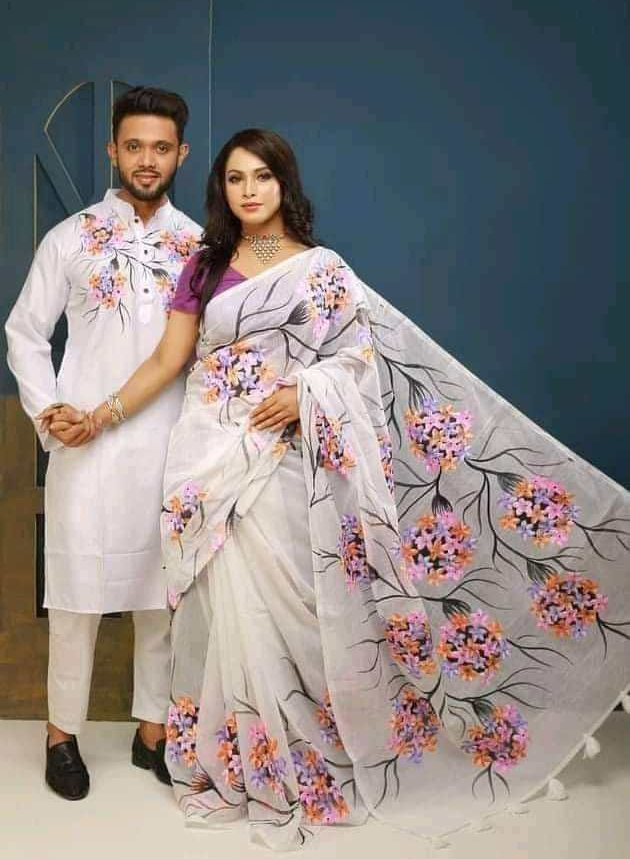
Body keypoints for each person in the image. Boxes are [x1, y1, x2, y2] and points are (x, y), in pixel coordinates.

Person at [41, 129, 630, 849]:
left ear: (284, 183)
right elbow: (169, 359)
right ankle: (246, 749)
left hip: (286, 458)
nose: (249, 190)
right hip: (210, 457)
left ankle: (312, 747)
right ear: (220, 187)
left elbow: (357, 360)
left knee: (297, 604)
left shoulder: (322, 269)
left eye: (262, 176)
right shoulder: (204, 265)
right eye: (235, 178)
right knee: (230, 608)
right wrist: (99, 415)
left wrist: (305, 394)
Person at [5, 86, 203, 800]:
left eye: (161, 147)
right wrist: (49, 410)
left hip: (172, 444)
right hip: (85, 442)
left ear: (181, 154)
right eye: (134, 145)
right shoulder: (71, 237)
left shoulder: (199, 247)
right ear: (112, 150)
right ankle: (62, 734)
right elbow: (25, 331)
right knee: (77, 596)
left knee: (162, 595)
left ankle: (154, 731)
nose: (147, 159)